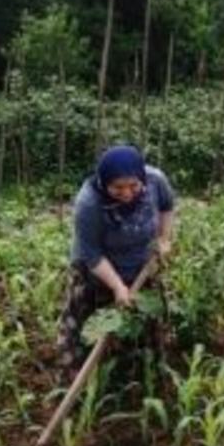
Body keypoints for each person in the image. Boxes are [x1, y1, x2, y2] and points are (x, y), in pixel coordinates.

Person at [57, 145, 176, 372]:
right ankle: (75, 376)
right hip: (96, 269)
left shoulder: (155, 180)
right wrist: (117, 286)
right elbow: (91, 254)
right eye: (118, 187)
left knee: (148, 320)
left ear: (141, 179)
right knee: (84, 331)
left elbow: (167, 206)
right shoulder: (88, 203)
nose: (127, 193)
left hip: (141, 265)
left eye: (133, 185)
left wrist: (164, 238)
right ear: (104, 183)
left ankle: (144, 372)